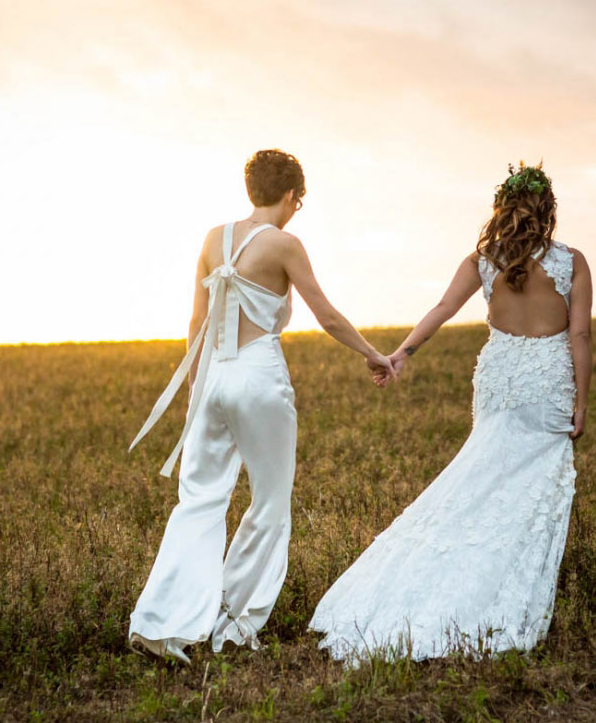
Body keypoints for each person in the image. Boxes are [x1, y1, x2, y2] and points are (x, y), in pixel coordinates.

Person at [309, 161, 593, 665]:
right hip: (546, 386)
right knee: (527, 492)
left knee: (479, 480)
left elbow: (442, 309)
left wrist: (402, 354)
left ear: (501, 209)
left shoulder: (482, 261)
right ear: (548, 211)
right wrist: (582, 401)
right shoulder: (573, 262)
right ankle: (496, 590)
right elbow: (580, 336)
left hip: (501, 383)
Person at [127, 149, 396, 663]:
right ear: (292, 196)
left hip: (211, 378)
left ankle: (161, 625)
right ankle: (234, 626)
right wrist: (373, 354)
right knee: (270, 502)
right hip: (258, 378)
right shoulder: (285, 244)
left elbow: (195, 323)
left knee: (199, 501)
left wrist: (196, 388)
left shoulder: (212, 238)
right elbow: (329, 317)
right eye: (300, 200)